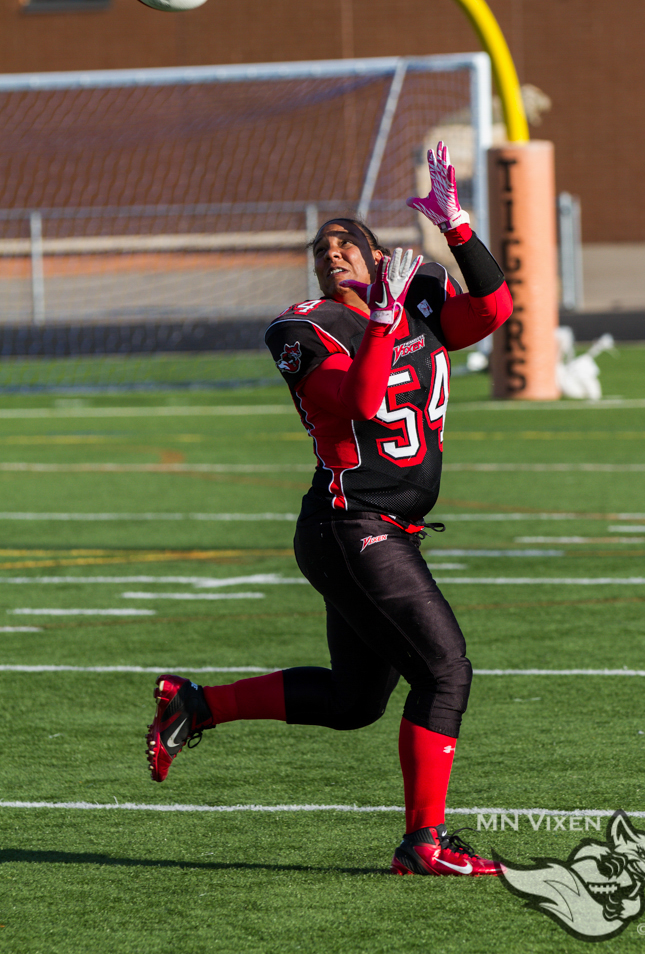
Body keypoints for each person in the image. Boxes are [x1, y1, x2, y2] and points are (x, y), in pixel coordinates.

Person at [145, 142, 513, 876]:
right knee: (445, 673)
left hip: (378, 529)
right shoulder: (302, 328)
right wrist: (379, 321)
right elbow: (360, 401)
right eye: (322, 249)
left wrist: (459, 228)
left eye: (348, 242)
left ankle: (195, 705)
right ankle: (423, 844)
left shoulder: (421, 296)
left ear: (381, 257)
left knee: (354, 701)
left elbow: (495, 309)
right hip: (352, 527)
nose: (333, 252)